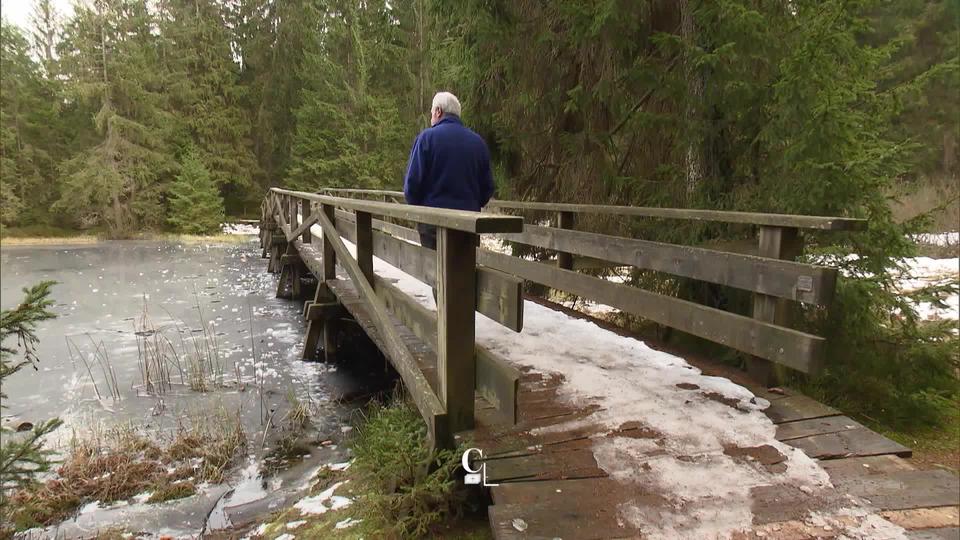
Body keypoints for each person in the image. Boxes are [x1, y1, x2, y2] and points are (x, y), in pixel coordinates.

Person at [403, 91, 495, 250]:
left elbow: (411, 187)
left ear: (438, 111)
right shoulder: (478, 143)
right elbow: (487, 189)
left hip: (433, 225)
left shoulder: (426, 139)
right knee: (466, 273)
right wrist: (469, 205)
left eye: (431, 112)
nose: (431, 116)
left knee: (434, 273)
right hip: (469, 225)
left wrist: (423, 211)